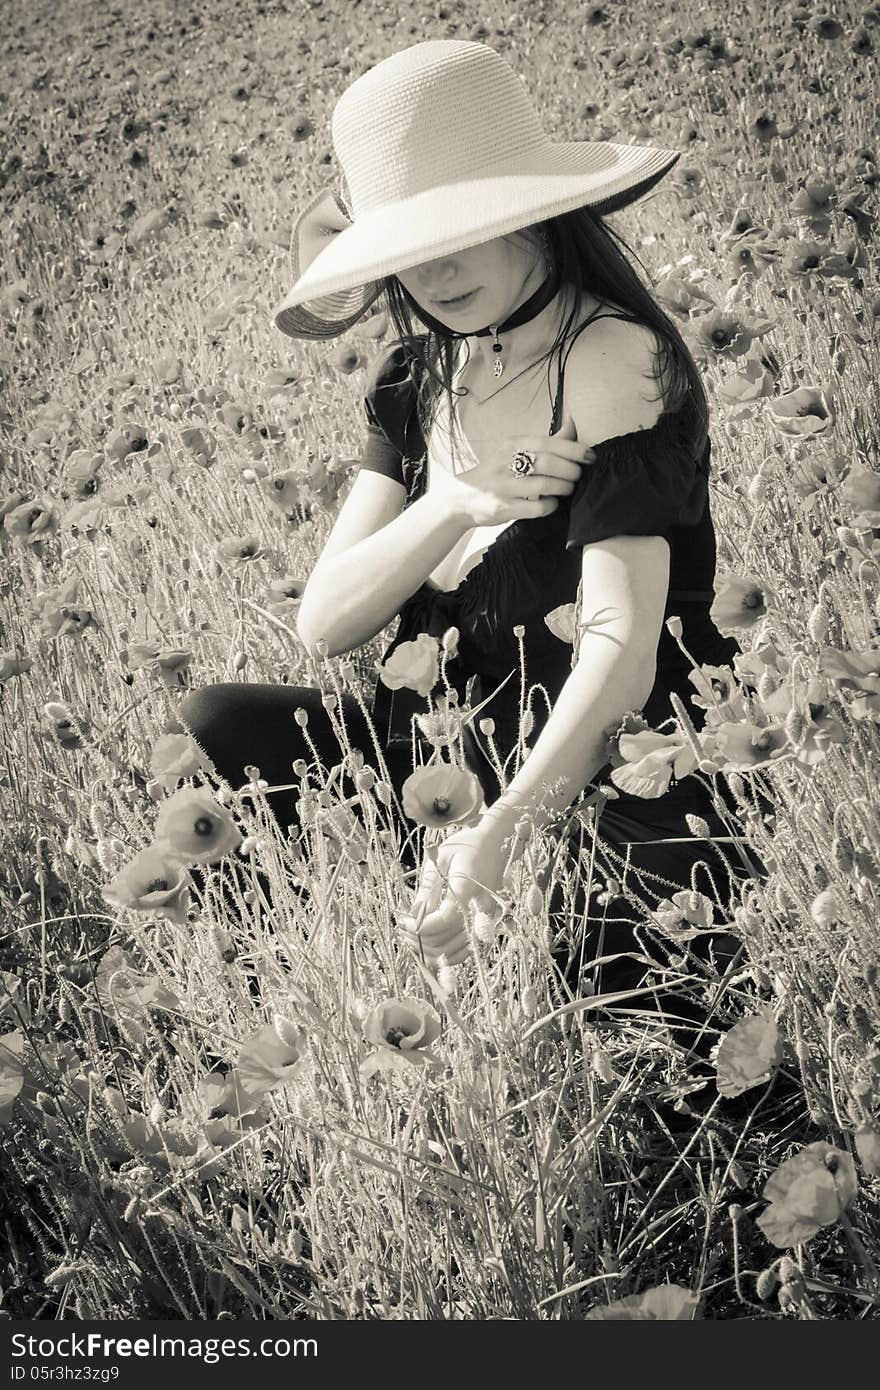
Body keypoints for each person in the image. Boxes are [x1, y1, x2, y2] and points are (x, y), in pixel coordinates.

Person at [170, 40, 773, 1062]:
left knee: (614, 944)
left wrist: (502, 834)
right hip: (440, 755)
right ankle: (295, 1003)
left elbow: (620, 652)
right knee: (221, 721)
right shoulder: (418, 375)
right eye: (408, 244)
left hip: (596, 763)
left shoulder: (612, 360)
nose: (435, 270)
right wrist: (452, 500)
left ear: (536, 209)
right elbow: (326, 623)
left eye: (465, 230)